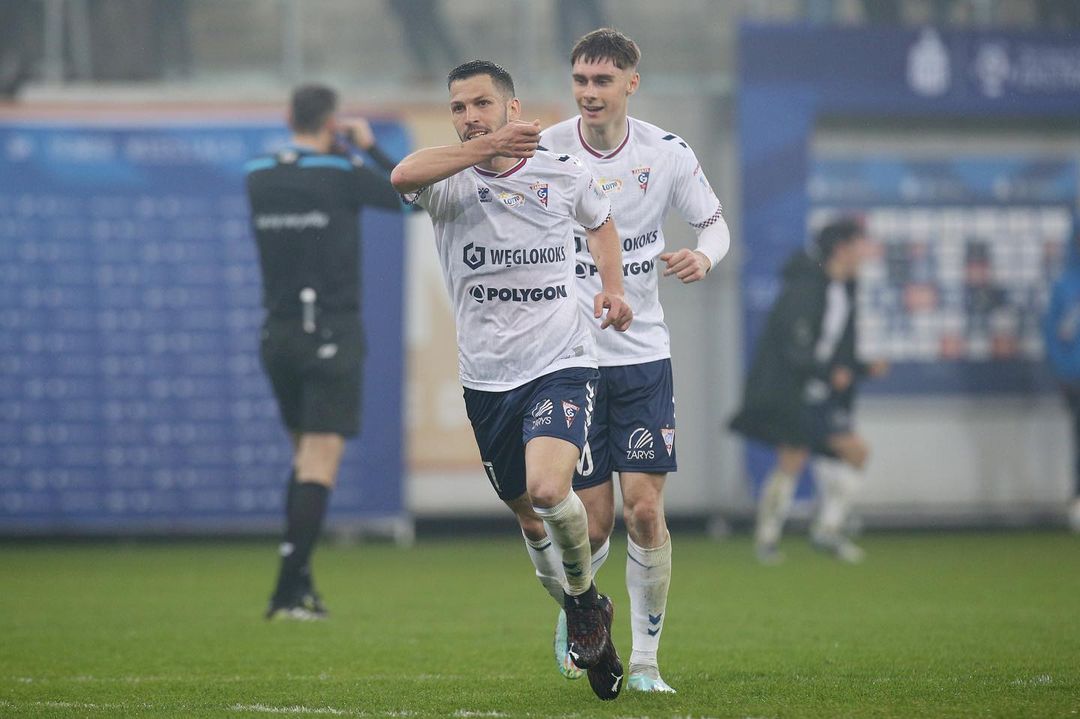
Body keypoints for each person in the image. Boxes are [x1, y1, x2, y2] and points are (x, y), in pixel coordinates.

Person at [390, 59, 632, 701]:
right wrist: (484, 149)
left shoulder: (560, 170)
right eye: (459, 109)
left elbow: (600, 221)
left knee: (551, 490)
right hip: (487, 379)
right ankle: (591, 619)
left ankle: (582, 607)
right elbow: (400, 175)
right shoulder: (446, 180)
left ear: (512, 107)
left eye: (480, 105)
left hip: (560, 359)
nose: (469, 118)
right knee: (529, 519)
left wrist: (612, 286)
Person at [537, 28, 731, 694]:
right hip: (570, 356)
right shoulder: (549, 148)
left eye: (602, 81)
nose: (589, 93)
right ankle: (585, 612)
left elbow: (714, 223)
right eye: (581, 81)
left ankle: (646, 659)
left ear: (630, 84)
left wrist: (704, 256)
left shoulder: (665, 153)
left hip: (644, 352)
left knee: (645, 511)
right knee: (591, 521)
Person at [245, 84, 403, 620]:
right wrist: (363, 149)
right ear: (332, 121)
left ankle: (300, 582)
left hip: (278, 336)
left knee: (301, 460)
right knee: (317, 463)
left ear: (289, 115)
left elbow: (297, 173)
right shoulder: (341, 175)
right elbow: (412, 196)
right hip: (331, 332)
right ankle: (287, 590)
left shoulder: (257, 176)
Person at [730, 217, 885, 564]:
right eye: (861, 242)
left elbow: (832, 347)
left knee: (846, 453)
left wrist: (857, 369)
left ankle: (822, 532)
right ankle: (775, 539)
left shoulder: (845, 288)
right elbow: (795, 345)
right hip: (795, 390)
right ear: (843, 247)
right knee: (799, 456)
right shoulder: (807, 285)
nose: (866, 251)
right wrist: (832, 373)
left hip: (820, 390)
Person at [1043, 225, 1080, 533]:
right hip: (1075, 376)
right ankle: (1078, 501)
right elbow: (1052, 334)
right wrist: (1063, 370)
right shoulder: (1064, 285)